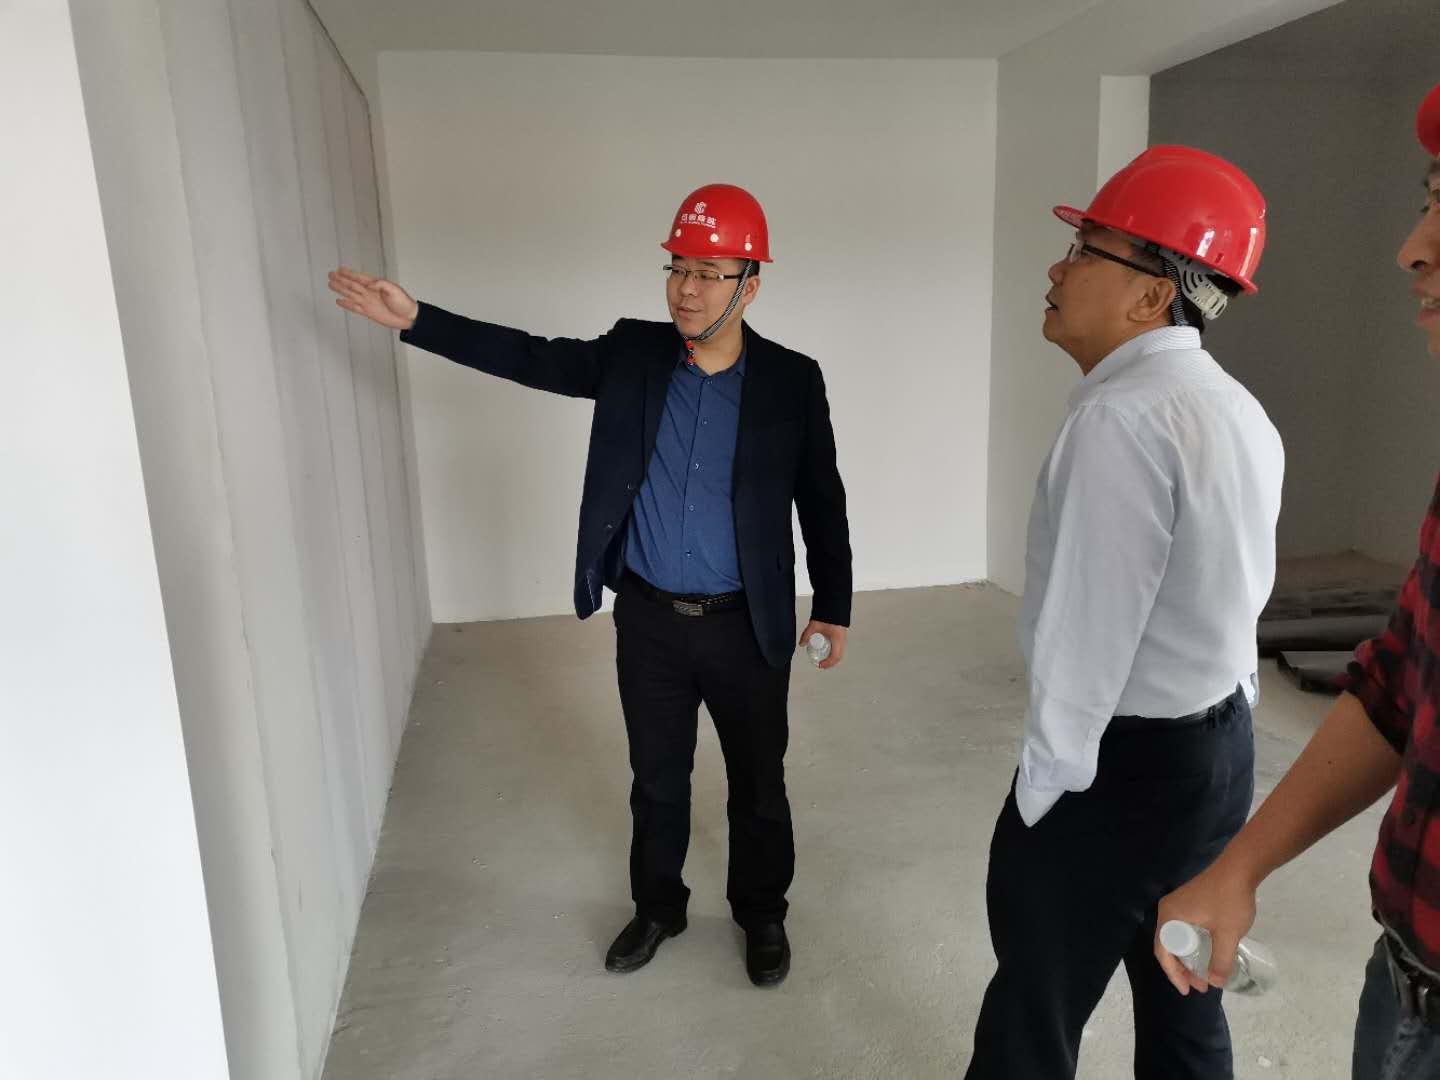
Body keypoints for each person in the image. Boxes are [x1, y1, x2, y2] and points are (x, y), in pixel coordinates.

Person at [330, 184, 852, 987]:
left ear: (750, 285)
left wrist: (835, 605)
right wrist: (418, 320)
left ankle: (761, 913)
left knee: (758, 784)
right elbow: (532, 357)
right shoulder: (633, 354)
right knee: (657, 781)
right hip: (650, 622)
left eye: (707, 273)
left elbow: (821, 497)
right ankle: (658, 908)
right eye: (677, 269)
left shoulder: (791, 380)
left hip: (746, 626)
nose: (685, 290)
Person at [964, 147, 1284, 1079]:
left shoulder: (1119, 420)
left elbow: (1083, 642)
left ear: (1153, 296)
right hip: (1217, 750)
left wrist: (1044, 800)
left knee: (1034, 1010)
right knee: (1183, 994)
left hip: (1122, 770)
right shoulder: (1236, 408)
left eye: (1085, 250)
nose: (1057, 268)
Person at [1155, 83, 1440, 1080]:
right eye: (1429, 199)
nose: (1410, 248)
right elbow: (1401, 684)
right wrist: (1239, 868)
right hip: (1405, 980)